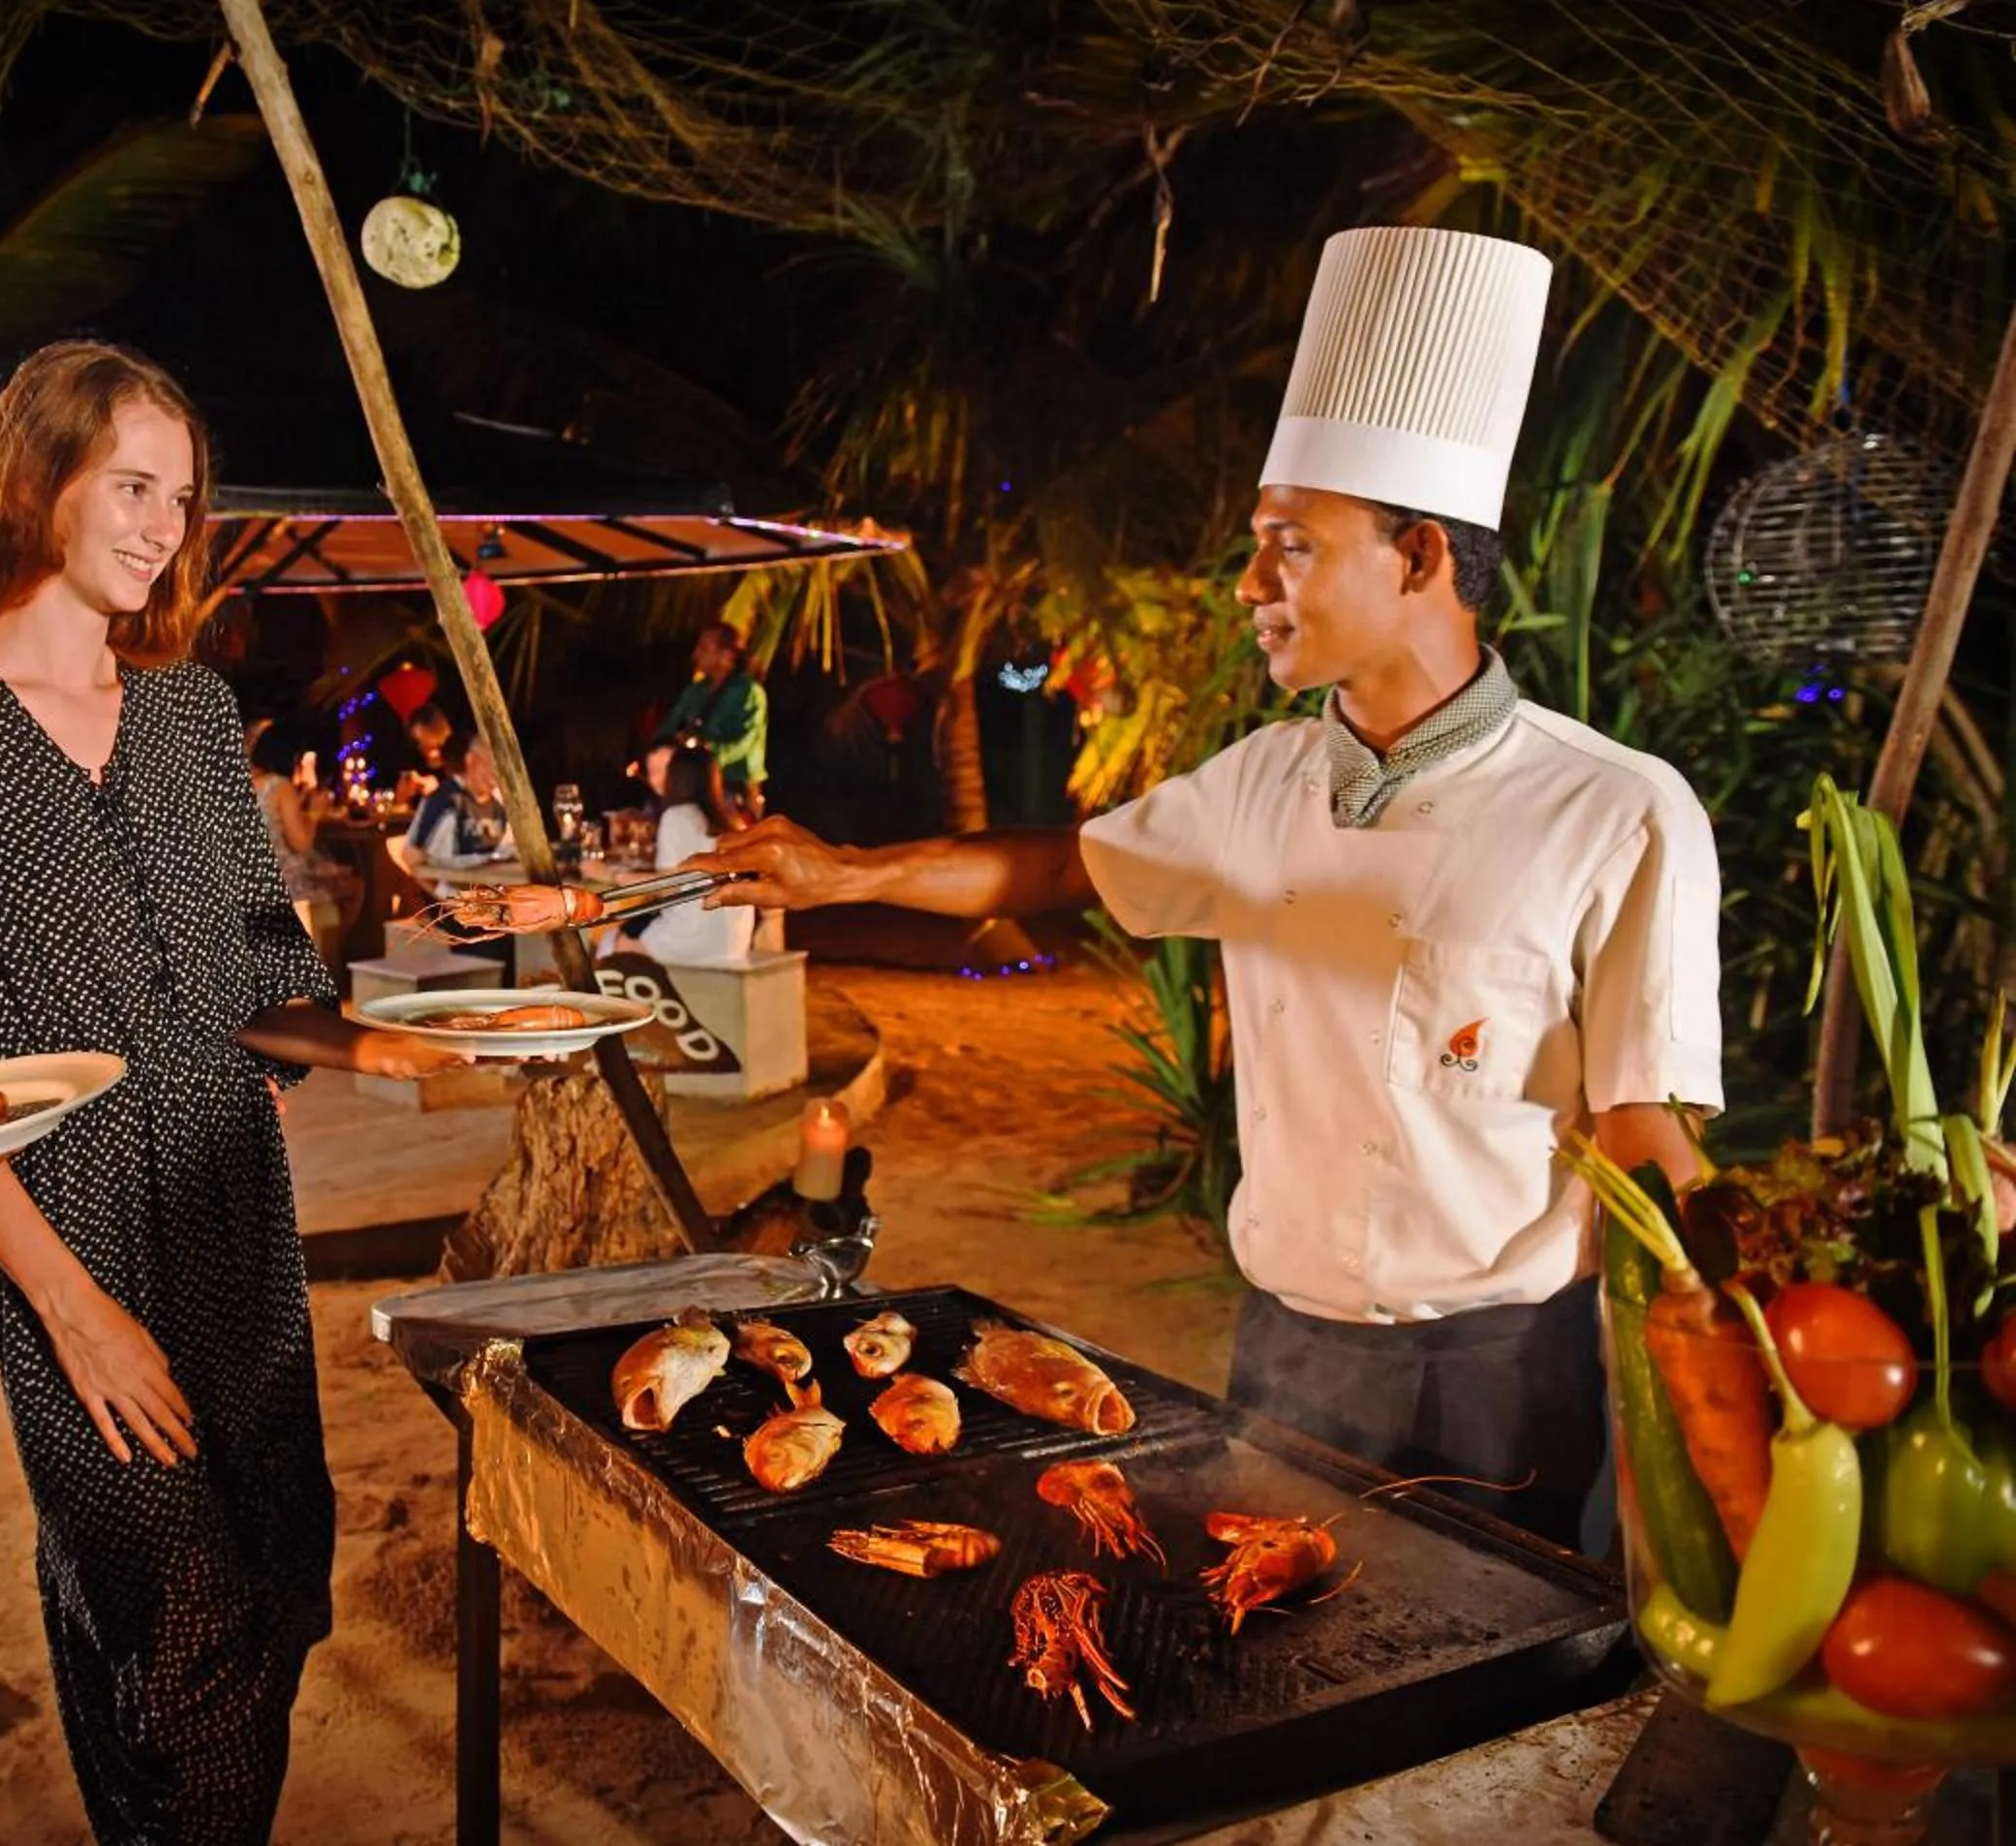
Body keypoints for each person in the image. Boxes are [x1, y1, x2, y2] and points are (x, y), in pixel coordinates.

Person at [690, 228, 1721, 1552]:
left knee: (1496, 1713)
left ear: (1421, 559)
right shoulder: (1264, 778)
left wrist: (1752, 1321)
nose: (1253, 587)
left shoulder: (1617, 808)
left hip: (1506, 1372)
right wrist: (843, 873)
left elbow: (1642, 1128)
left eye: (1292, 547)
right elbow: (1063, 864)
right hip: (1288, 1344)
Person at [0, 339, 461, 1846]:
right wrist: (69, 1307)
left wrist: (394, 1048)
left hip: (236, 1213)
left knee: (265, 1589)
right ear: (39, 475)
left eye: (181, 497)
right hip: (77, 1237)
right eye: (132, 483)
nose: (162, 524)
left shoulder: (186, 715)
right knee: (170, 1617)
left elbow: (261, 986)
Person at [603, 741, 754, 967]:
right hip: (734, 940)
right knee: (635, 929)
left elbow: (666, 887)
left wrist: (610, 875)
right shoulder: (733, 820)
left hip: (691, 939)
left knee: (608, 945)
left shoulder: (678, 816)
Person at [248, 719, 358, 950]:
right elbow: (300, 843)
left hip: (249, 884)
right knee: (354, 887)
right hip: (287, 884)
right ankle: (332, 960)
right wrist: (316, 813)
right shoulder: (278, 786)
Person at [651, 620, 767, 821]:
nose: (695, 654)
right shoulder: (696, 690)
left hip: (732, 793)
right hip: (691, 791)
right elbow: (669, 727)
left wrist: (703, 757)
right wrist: (661, 749)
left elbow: (743, 744)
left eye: (704, 649)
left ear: (727, 655)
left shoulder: (749, 693)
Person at [402, 728, 508, 873]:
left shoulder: (499, 805)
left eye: (500, 768)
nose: (494, 775)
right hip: (457, 890)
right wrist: (444, 892)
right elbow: (413, 857)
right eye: (489, 765)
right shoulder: (445, 802)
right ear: (470, 760)